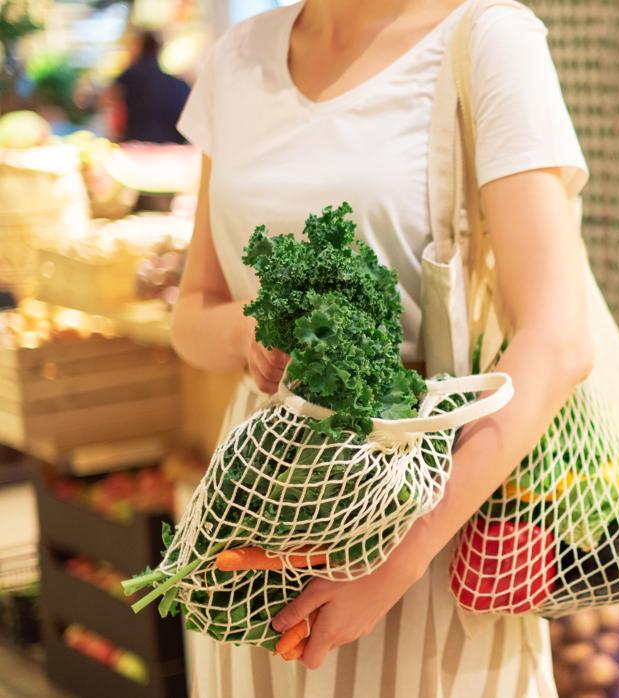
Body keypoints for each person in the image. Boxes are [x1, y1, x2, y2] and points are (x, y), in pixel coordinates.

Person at [170, 0, 591, 694]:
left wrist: (395, 559)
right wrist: (251, 330)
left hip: (426, 499)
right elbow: (192, 311)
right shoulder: (237, 59)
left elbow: (559, 339)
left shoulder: (487, 39)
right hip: (257, 513)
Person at [112, 31, 191, 143]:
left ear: (139, 47)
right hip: (170, 145)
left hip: (135, 143)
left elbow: (111, 103)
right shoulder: (177, 84)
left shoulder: (128, 78)